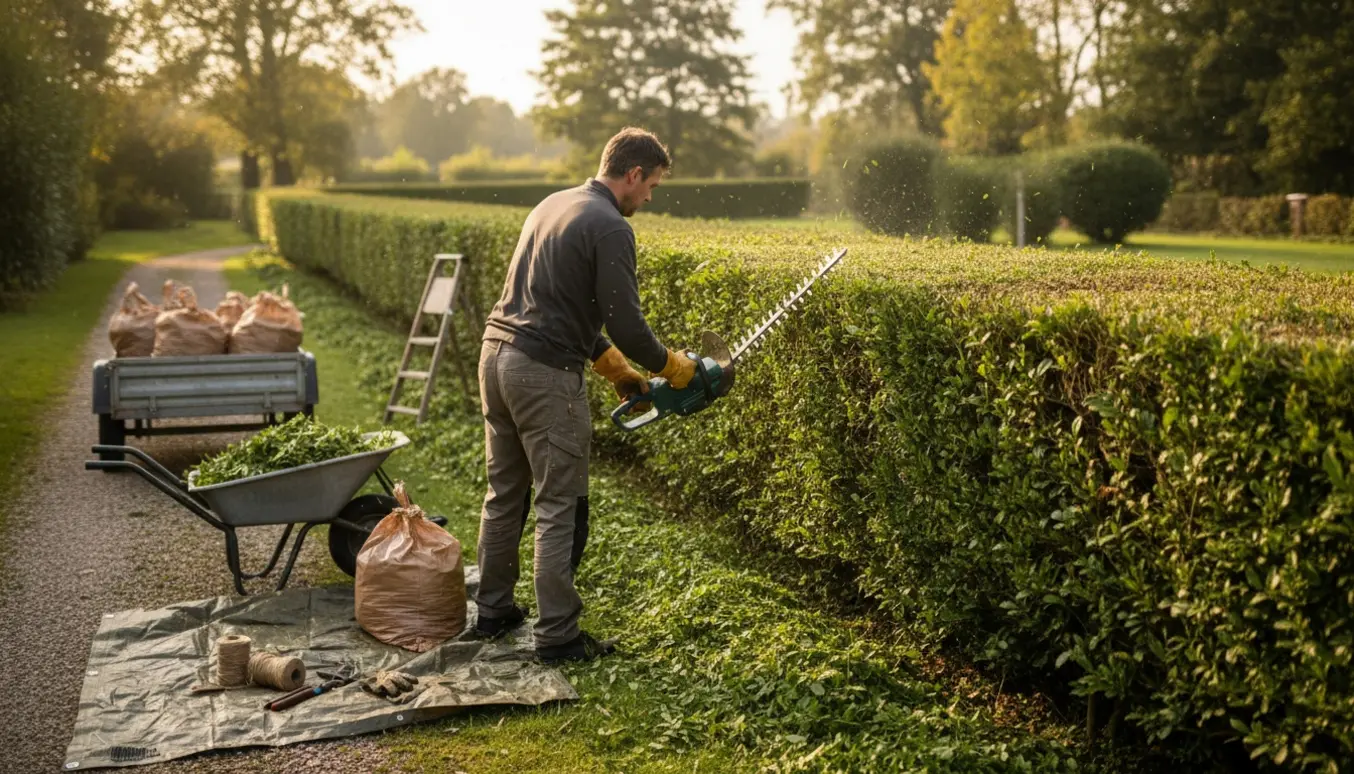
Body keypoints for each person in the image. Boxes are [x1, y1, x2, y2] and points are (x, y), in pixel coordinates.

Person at [472, 127, 696, 663]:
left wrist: (611, 366)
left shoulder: (553, 205)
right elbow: (627, 322)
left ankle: (493, 609)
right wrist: (671, 365)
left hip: (495, 356)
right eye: (652, 187)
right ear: (633, 174)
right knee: (559, 503)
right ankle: (557, 635)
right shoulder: (612, 228)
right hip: (543, 375)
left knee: (505, 494)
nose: (649, 198)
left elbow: (553, 301)